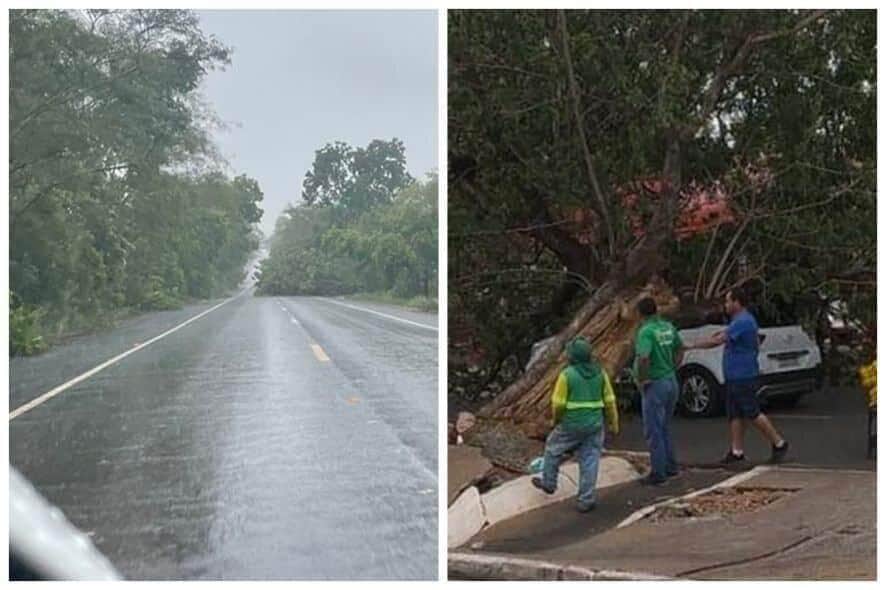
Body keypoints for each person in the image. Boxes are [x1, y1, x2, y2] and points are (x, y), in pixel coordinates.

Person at [688, 287, 789, 464]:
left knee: (752, 412)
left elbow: (718, 340)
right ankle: (737, 451)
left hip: (743, 374)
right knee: (735, 414)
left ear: (736, 302)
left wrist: (692, 345)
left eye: (728, 301)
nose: (725, 305)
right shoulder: (739, 321)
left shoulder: (743, 321)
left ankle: (778, 442)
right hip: (734, 374)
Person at [531, 336, 619, 513]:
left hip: (571, 423)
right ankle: (586, 500)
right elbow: (610, 401)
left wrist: (556, 421)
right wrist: (613, 423)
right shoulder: (600, 374)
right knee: (590, 459)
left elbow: (558, 403)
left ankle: (549, 482)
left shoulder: (567, 375)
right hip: (595, 424)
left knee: (552, 447)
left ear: (572, 356)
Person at [634, 297, 684, 485]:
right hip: (671, 380)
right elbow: (680, 349)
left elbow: (644, 357)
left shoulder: (645, 332)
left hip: (655, 384)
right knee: (664, 427)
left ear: (640, 313)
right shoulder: (667, 327)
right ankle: (671, 466)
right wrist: (674, 367)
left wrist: (643, 378)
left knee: (653, 429)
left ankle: (658, 473)